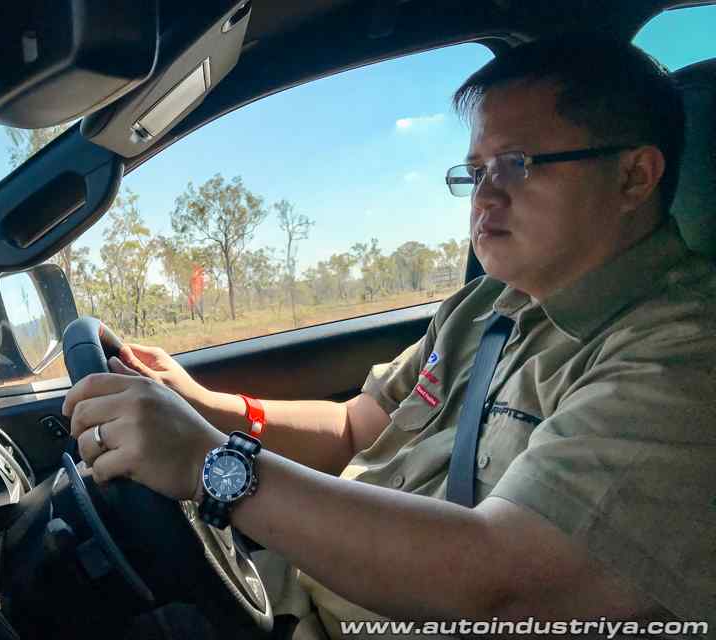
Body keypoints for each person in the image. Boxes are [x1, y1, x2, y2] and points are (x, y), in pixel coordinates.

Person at [62, 36, 716, 638]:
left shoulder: (683, 356)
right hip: (306, 596)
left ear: (634, 176)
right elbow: (356, 426)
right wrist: (202, 406)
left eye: (516, 165)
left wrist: (212, 464)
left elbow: (502, 585)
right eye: (476, 171)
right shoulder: (484, 307)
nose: (484, 199)